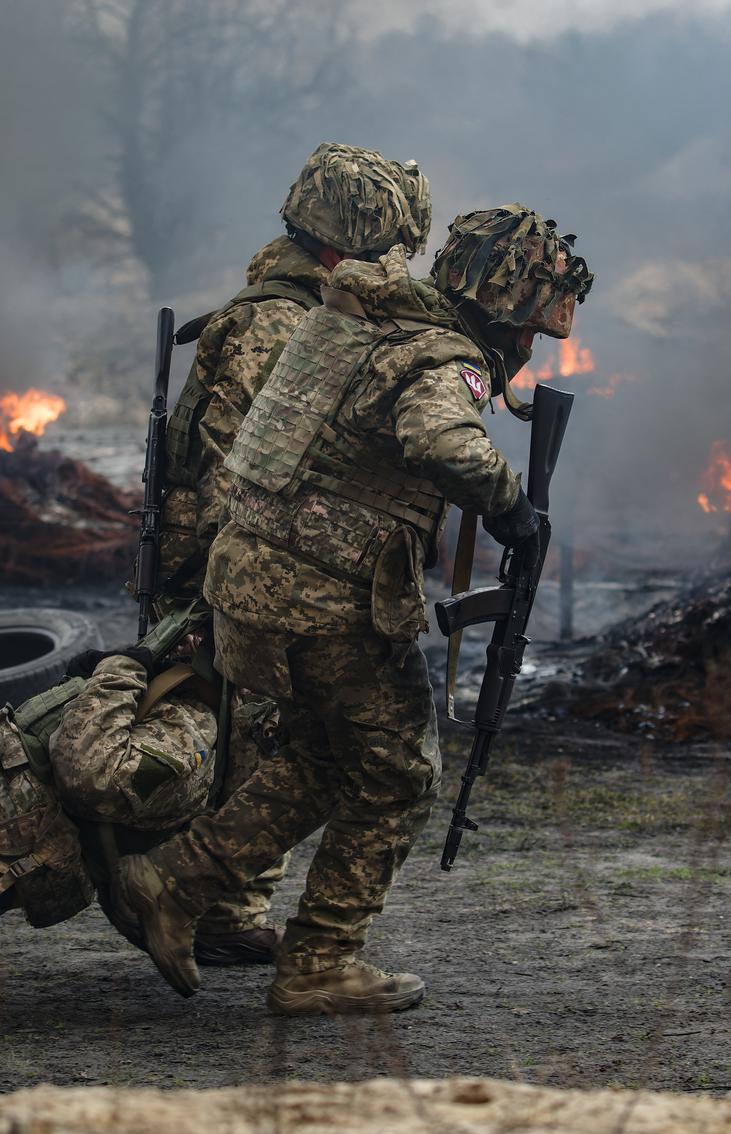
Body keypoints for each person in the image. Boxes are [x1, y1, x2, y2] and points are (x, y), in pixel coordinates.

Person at [111, 204, 593, 1015]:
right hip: (324, 599)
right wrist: (511, 506)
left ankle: (168, 882)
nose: (529, 349)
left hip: (253, 586)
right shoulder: (447, 360)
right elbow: (445, 443)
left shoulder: (365, 317)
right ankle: (321, 961)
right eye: (533, 331)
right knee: (399, 773)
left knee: (322, 759)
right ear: (510, 310)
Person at [151, 142, 432, 961]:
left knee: (274, 731)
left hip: (237, 557)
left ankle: (222, 905)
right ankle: (221, 912)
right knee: (263, 731)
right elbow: (239, 465)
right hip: (239, 561)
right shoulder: (282, 322)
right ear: (349, 244)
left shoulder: (283, 308)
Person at [0, 625, 276, 958]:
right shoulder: (174, 700)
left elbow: (95, 780)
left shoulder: (191, 728)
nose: (187, 641)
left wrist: (119, 670)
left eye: (201, 636)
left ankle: (221, 923)